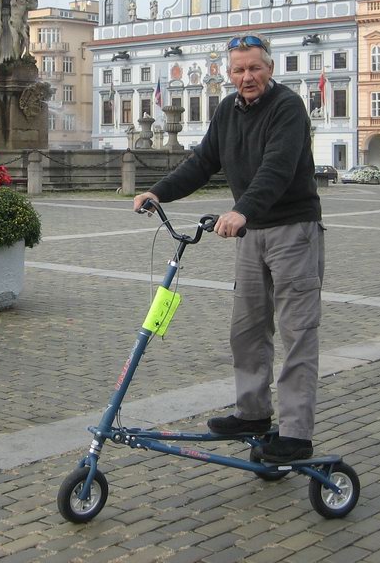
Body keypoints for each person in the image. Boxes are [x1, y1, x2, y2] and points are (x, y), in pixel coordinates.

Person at [133, 35, 323, 464]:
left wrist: (241, 210)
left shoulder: (288, 107)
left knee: (297, 333)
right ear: (228, 74)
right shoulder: (227, 111)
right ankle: (252, 413)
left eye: (254, 68)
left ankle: (296, 435)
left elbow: (277, 167)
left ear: (269, 68)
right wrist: (158, 192)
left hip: (293, 230)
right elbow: (203, 162)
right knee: (247, 329)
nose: (247, 77)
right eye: (239, 70)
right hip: (251, 234)